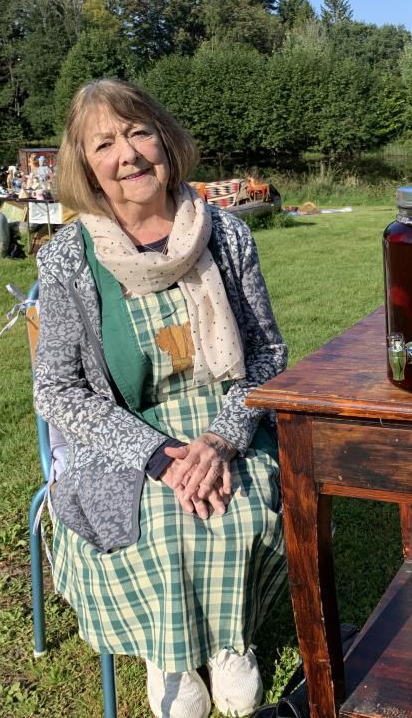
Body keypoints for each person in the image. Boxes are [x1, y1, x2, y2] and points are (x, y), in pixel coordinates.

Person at [33, 79, 288, 718]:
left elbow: (266, 356)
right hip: (124, 432)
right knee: (154, 519)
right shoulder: (69, 256)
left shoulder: (224, 235)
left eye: (139, 132)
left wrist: (225, 436)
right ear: (86, 165)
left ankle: (230, 642)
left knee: (239, 502)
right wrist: (158, 453)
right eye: (105, 143)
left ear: (165, 141)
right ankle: (169, 654)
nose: (129, 154)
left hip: (225, 416)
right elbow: (57, 388)